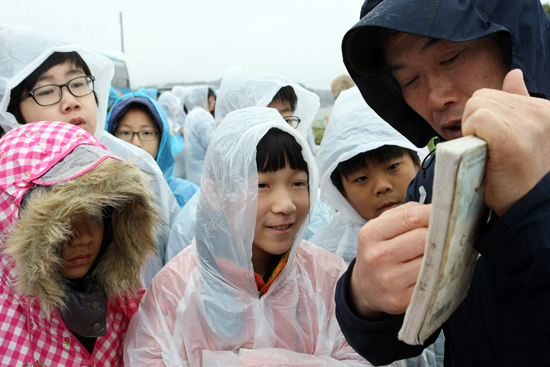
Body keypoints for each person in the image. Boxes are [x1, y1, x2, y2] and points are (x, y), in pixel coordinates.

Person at [334, 0, 550, 366]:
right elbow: (394, 344)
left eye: (451, 58)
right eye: (409, 80)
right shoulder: (436, 178)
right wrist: (364, 299)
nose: (435, 97)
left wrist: (533, 205)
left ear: (515, 45)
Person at [124, 106, 395, 367]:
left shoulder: (328, 278)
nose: (286, 204)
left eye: (298, 183)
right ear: (219, 193)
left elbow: (366, 356)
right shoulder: (176, 289)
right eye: (261, 185)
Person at [0, 25, 180, 286]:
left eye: (78, 83)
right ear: (13, 109)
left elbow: (168, 262)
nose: (71, 101)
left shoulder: (133, 164)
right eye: (47, 91)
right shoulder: (8, 184)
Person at [0, 121, 161, 366]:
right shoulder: (7, 329)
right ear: (14, 226)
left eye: (96, 213)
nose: (84, 237)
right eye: (62, 222)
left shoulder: (126, 307)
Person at [165, 67, 332, 261]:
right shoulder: (197, 219)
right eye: (260, 119)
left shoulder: (312, 201)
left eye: (285, 120)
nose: (274, 131)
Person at [311, 87, 421, 265]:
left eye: (393, 167)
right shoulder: (328, 260)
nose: (382, 186)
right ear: (343, 195)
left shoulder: (460, 221)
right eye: (361, 179)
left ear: (418, 164)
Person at [106, 92, 199, 208]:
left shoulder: (188, 197)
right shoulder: (99, 200)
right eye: (125, 132)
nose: (136, 143)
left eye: (146, 133)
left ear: (161, 139)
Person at [181, 85, 217, 185]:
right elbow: (213, 144)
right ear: (203, 99)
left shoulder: (192, 114)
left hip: (195, 171)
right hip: (204, 174)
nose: (214, 102)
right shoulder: (201, 115)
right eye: (213, 98)